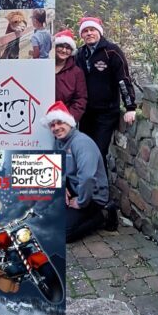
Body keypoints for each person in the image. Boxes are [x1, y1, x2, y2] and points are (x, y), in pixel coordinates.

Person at [44, 101, 110, 242]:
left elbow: (87, 178)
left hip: (92, 196)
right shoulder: (58, 142)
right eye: (52, 125)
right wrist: (63, 187)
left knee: (63, 233)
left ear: (69, 122)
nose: (56, 128)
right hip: (74, 189)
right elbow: (58, 168)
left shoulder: (81, 143)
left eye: (60, 122)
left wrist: (81, 202)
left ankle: (103, 215)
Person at [75, 16, 137, 158]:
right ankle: (89, 181)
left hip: (106, 113)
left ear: (99, 32)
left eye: (92, 30)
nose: (89, 33)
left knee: (99, 151)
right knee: (86, 152)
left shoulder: (112, 52)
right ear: (81, 35)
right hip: (86, 113)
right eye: (85, 31)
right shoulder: (79, 54)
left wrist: (130, 107)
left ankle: (101, 181)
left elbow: (123, 79)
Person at [53, 30, 87, 123]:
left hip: (65, 120)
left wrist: (68, 118)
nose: (64, 50)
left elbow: (80, 99)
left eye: (68, 48)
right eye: (61, 46)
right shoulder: (44, 67)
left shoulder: (76, 72)